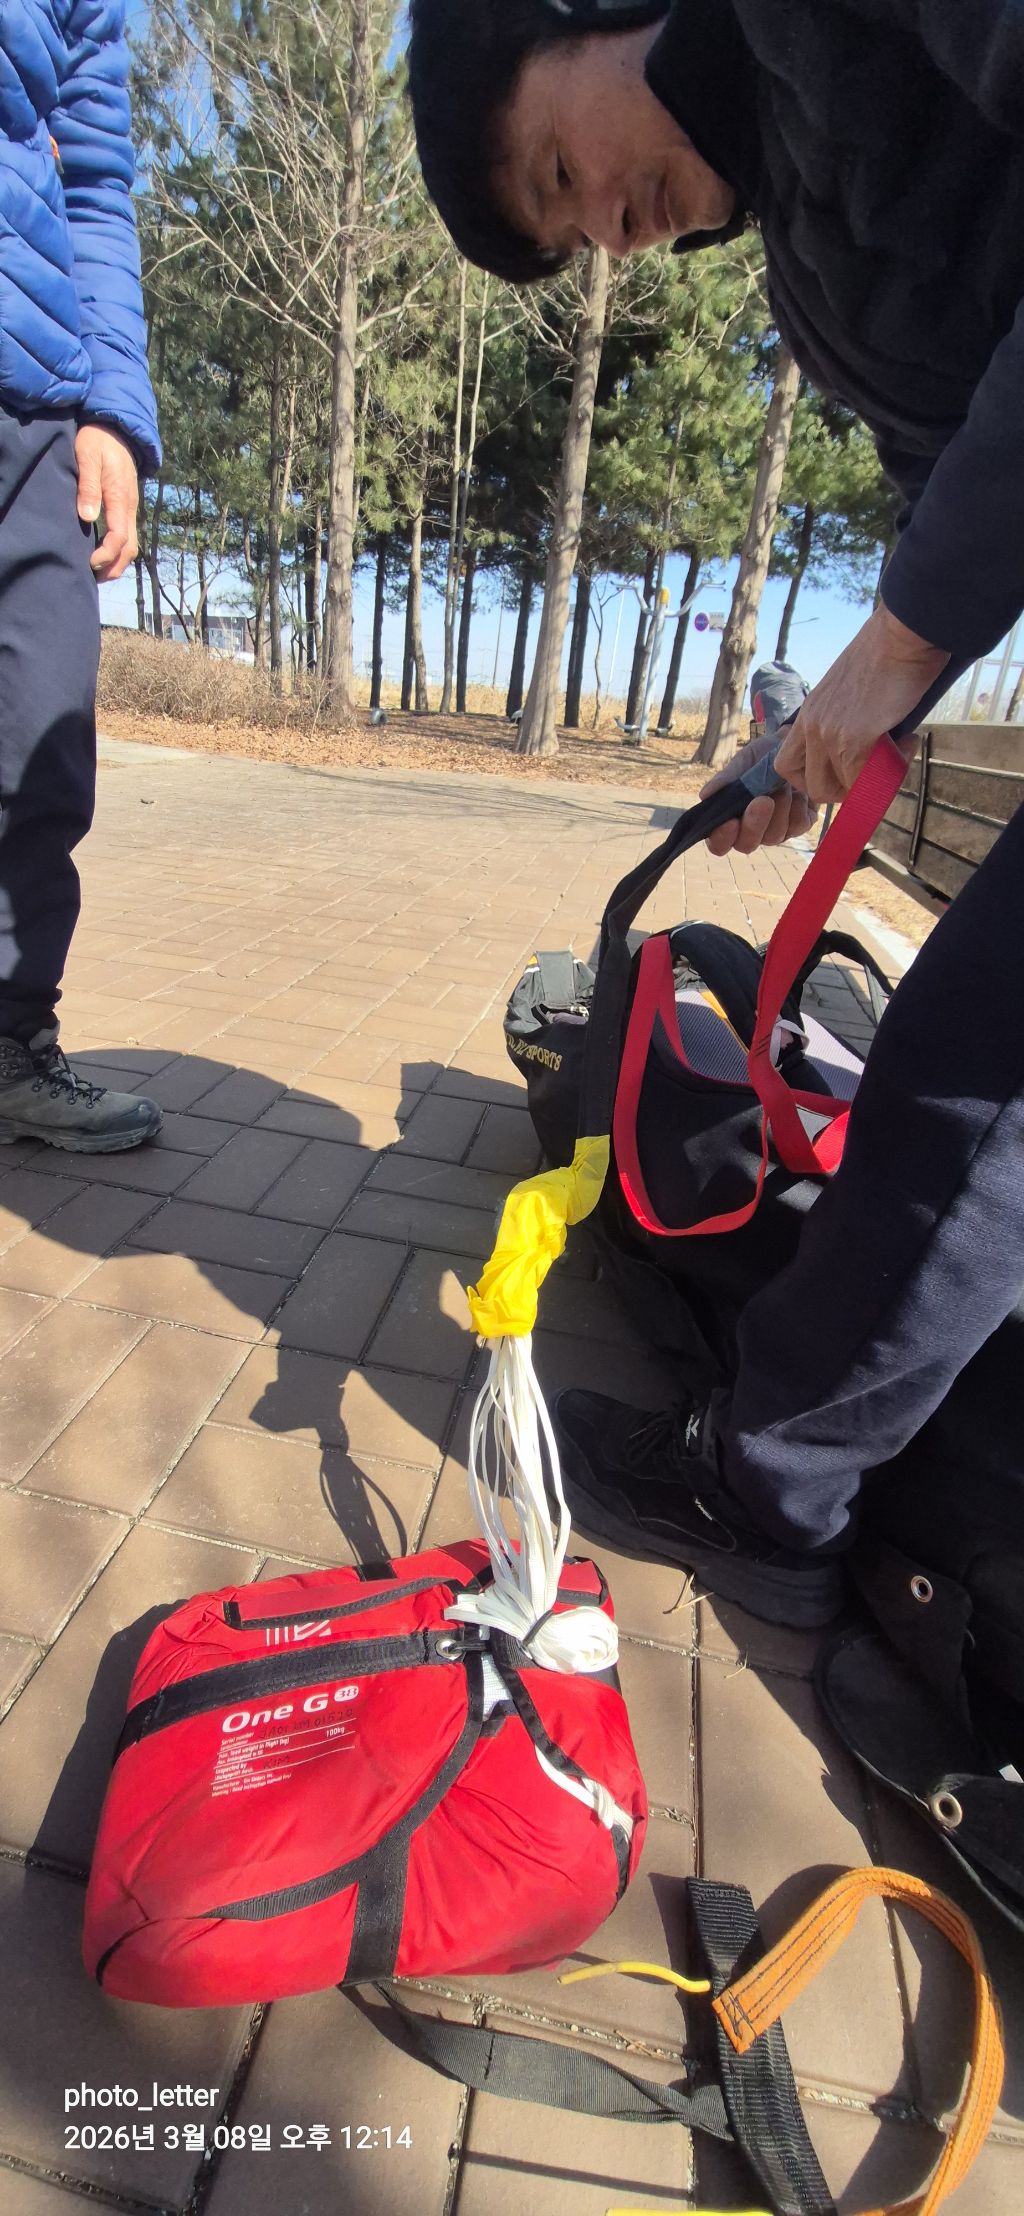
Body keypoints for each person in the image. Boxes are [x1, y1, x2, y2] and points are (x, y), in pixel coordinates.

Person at [408, 0, 1024, 1628]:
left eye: (561, 171)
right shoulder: (807, 278)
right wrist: (817, 736)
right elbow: (949, 483)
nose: (610, 233)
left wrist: (898, 646)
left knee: (971, 1084)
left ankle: (768, 1489)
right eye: (570, 236)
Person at [0, 0, 162, 1152]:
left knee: (42, 737)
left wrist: (112, 408)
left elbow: (96, 177)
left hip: (35, 391)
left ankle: (10, 1044)